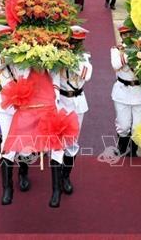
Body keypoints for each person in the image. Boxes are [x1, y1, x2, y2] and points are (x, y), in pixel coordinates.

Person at [50, 26, 92, 207]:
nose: (74, 46)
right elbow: (54, 83)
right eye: (72, 42)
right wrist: (56, 105)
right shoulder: (55, 59)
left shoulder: (84, 59)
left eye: (77, 43)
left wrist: (68, 59)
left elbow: (86, 74)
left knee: (72, 144)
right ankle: (56, 189)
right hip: (61, 105)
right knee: (57, 145)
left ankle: (66, 176)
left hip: (77, 104)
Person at [0, 29, 32, 206]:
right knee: (7, 145)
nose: (5, 43)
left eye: (7, 39)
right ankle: (7, 188)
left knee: (25, 146)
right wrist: (11, 51)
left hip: (26, 105)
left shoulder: (25, 55)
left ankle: (23, 173)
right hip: (7, 106)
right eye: (1, 41)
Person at [111, 25, 141, 157]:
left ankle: (133, 150)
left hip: (139, 91)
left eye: (129, 34)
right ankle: (122, 146)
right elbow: (115, 65)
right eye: (124, 35)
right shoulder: (116, 50)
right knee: (124, 126)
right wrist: (130, 53)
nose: (127, 37)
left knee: (137, 127)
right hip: (122, 91)